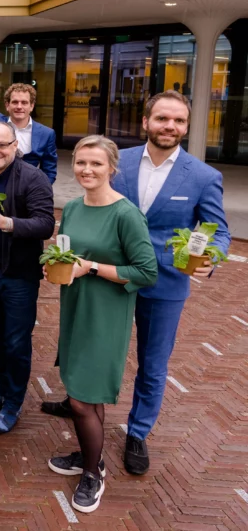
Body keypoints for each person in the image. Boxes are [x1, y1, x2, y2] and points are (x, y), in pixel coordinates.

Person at [41, 91, 230, 476]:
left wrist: (211, 260)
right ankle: (80, 396)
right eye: (162, 118)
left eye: (178, 121)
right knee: (91, 341)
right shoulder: (113, 160)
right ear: (145, 122)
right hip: (106, 281)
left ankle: (138, 432)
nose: (169, 126)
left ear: (187, 126)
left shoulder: (204, 176)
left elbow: (219, 231)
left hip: (164, 281)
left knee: (152, 362)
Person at [47, 136, 157, 514]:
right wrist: (56, 261)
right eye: (80, 163)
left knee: (80, 399)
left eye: (95, 164)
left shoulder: (126, 214)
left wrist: (90, 267)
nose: (87, 170)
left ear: (112, 167)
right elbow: (67, 249)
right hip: (76, 307)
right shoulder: (74, 207)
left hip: (106, 315)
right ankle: (90, 454)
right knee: (86, 394)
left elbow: (147, 271)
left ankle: (92, 473)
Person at [0, 122, 56, 435]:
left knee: (16, 342)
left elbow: (45, 224)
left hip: (17, 275)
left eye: (2, 145)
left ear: (15, 145)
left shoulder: (33, 178)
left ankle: (13, 403)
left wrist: (7, 223)